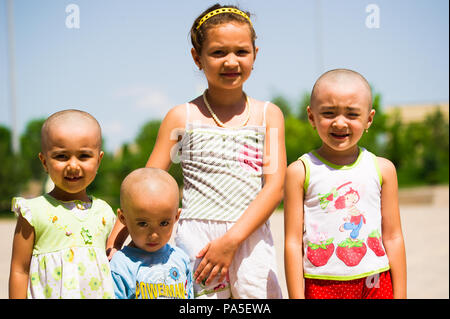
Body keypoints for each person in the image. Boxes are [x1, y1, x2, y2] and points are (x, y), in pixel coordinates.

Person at [107, 3, 286, 299]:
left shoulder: (269, 115)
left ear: (255, 54)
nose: (231, 61)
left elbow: (274, 188)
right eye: (218, 52)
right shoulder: (182, 117)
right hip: (197, 243)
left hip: (249, 236)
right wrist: (115, 241)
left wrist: (231, 241)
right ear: (197, 57)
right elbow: (145, 184)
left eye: (241, 51)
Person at [284, 69, 407, 299]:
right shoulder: (299, 172)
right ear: (311, 117)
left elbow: (393, 237)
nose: (339, 123)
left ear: (369, 119)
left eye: (351, 114)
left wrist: (401, 295)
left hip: (376, 283)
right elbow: (292, 243)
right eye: (329, 113)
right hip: (321, 286)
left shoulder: (383, 169)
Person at [9, 109, 116, 299]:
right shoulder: (33, 212)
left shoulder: (105, 213)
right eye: (61, 156)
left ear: (99, 160)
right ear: (44, 161)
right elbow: (20, 270)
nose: (73, 165)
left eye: (84, 156)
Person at [109, 168, 193, 299]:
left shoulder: (181, 259)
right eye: (143, 224)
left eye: (164, 223)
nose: (154, 235)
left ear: (176, 217)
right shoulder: (120, 265)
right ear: (123, 218)